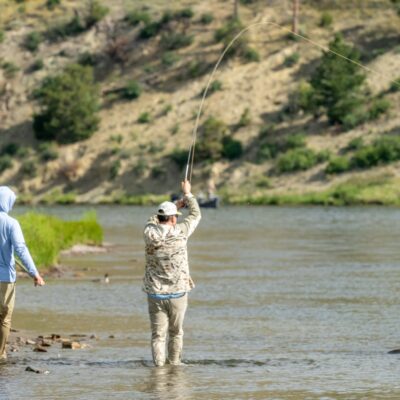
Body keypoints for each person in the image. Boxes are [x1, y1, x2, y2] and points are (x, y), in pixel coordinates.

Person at [143, 180, 201, 367]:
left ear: (159, 217)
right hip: (178, 292)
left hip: (155, 293)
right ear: (174, 218)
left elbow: (153, 220)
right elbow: (196, 214)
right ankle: (175, 365)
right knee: (176, 332)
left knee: (158, 335)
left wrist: (174, 206)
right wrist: (188, 194)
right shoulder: (181, 231)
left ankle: (159, 369)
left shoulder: (149, 232)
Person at [0, 186, 45, 361]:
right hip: (5, 281)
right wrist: (35, 273)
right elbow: (21, 249)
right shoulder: (11, 223)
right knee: (4, 319)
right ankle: (0, 354)